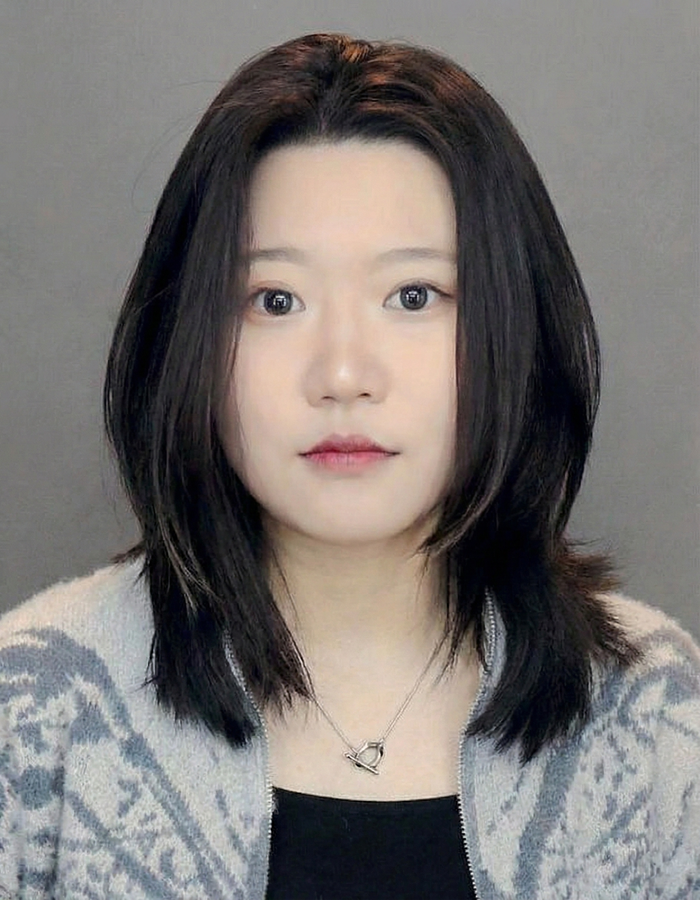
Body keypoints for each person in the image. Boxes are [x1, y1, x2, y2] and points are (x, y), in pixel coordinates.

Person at [0, 31, 698, 900]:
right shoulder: (33, 706)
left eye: (413, 296)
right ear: (187, 339)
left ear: (514, 326)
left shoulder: (655, 713)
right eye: (274, 300)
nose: (341, 375)